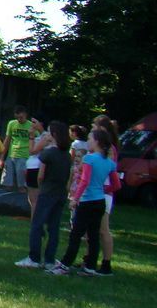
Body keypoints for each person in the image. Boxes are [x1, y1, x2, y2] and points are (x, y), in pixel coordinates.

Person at [50, 128, 120, 276]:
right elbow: (116, 185)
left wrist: (75, 198)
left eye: (90, 139)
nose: (88, 141)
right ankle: (90, 266)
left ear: (97, 142)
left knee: (76, 234)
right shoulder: (109, 162)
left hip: (87, 201)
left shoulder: (89, 159)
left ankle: (65, 265)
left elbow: (84, 180)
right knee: (93, 235)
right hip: (100, 201)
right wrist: (103, 189)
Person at [16, 120, 71, 270]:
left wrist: (41, 187)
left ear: (53, 135)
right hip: (61, 194)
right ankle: (49, 260)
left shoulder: (48, 153)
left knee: (37, 225)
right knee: (54, 227)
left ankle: (34, 258)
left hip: (47, 192)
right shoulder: (67, 155)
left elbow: (40, 175)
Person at [92, 114, 120, 275]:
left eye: (94, 127)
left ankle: (106, 264)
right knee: (93, 230)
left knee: (103, 229)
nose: (93, 130)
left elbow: (109, 172)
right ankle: (89, 259)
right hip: (97, 191)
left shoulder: (109, 150)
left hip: (104, 192)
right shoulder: (102, 149)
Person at [24, 116, 54, 217]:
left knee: (35, 199)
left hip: (36, 168)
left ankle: (35, 223)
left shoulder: (46, 136)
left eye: (34, 122)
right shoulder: (41, 136)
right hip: (31, 167)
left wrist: (31, 136)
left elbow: (32, 151)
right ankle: (35, 222)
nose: (31, 124)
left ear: (40, 123)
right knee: (32, 199)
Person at [0, 105, 34, 193]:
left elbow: (37, 139)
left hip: (24, 155)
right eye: (17, 117)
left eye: (21, 117)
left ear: (26, 115)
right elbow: (7, 140)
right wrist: (2, 158)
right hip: (11, 154)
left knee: (22, 184)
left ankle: (22, 202)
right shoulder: (12, 123)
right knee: (7, 183)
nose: (19, 119)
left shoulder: (31, 126)